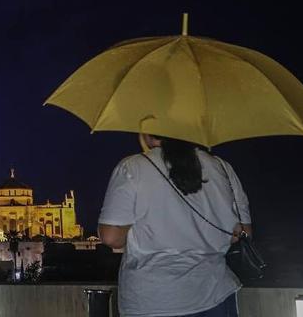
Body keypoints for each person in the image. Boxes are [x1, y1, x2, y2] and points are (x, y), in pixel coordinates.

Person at [98, 134, 252, 317]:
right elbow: (244, 233)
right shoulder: (221, 167)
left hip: (156, 300)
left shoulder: (133, 167)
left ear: (147, 133)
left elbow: (111, 237)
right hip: (215, 294)